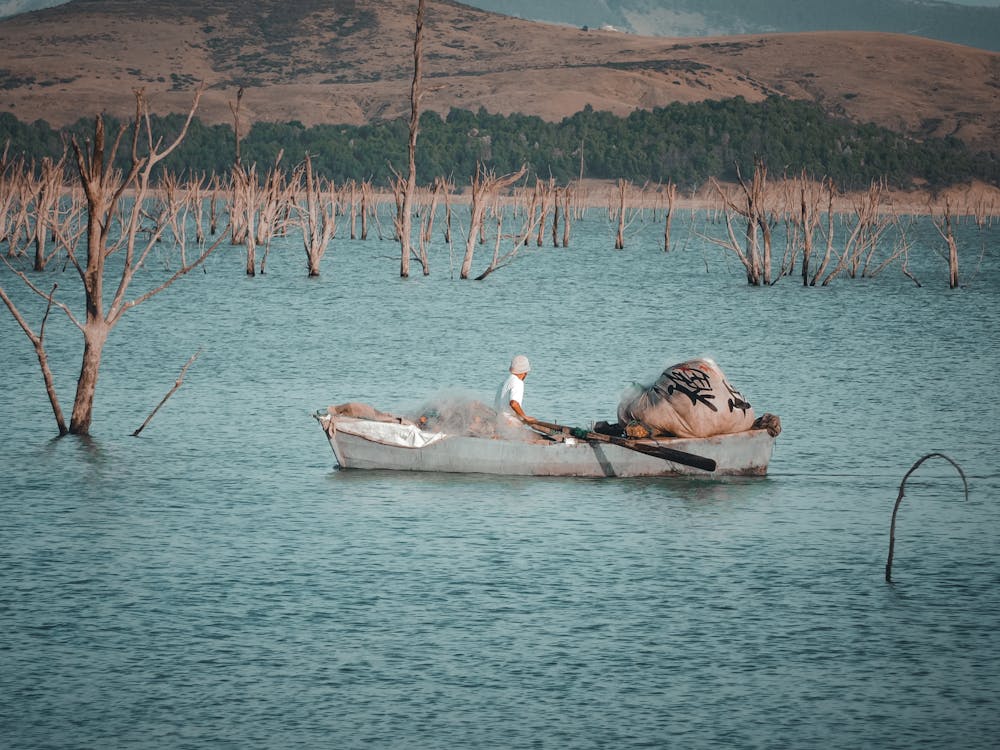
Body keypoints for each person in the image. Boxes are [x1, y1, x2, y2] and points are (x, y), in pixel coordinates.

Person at [495, 354, 535, 424]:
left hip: (499, 419)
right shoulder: (518, 382)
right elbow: (513, 403)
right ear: (525, 373)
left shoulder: (505, 381)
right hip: (509, 422)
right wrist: (525, 417)